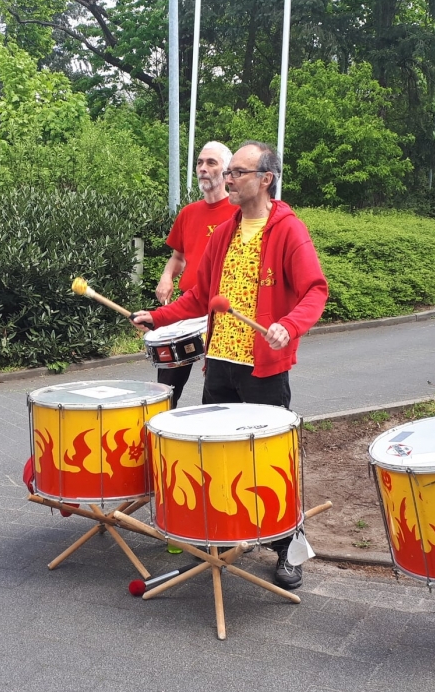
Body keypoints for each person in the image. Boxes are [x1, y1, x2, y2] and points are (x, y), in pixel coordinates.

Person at [132, 141, 328, 590]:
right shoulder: (224, 232)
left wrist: (289, 326)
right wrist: (158, 317)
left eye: (238, 172)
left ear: (266, 179)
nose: (228, 179)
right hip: (219, 363)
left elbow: (315, 290)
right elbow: (200, 296)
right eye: (229, 171)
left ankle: (289, 547)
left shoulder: (288, 229)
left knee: (271, 460)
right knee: (220, 455)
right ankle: (223, 535)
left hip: (264, 369)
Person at [154, 141, 238, 408]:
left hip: (224, 311)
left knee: (218, 387)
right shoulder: (188, 213)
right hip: (188, 308)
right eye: (200, 162)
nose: (203, 168)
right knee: (167, 386)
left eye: (211, 163)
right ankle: (161, 427)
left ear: (227, 171)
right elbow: (178, 257)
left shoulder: (239, 212)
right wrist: (167, 276)